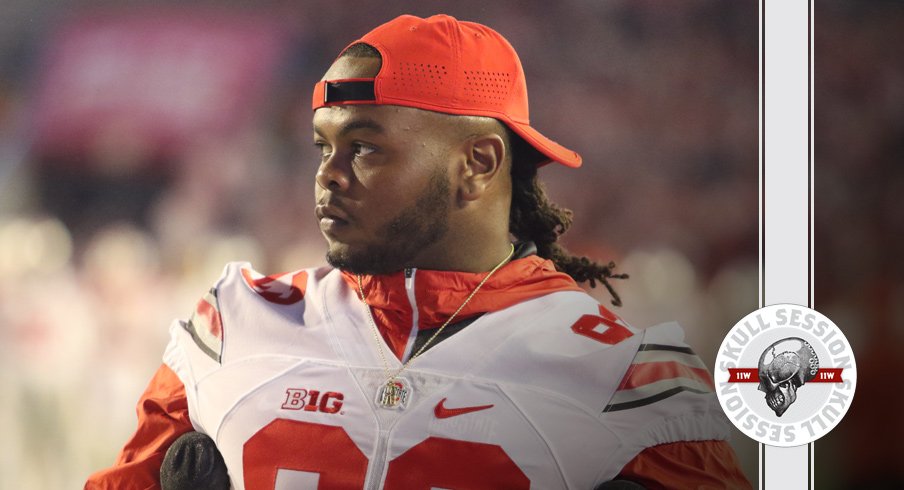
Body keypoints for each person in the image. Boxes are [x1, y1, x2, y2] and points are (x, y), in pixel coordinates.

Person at [87, 14, 751, 489]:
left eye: (366, 147)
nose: (328, 174)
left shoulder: (623, 378)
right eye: (324, 146)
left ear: (478, 163)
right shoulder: (234, 324)